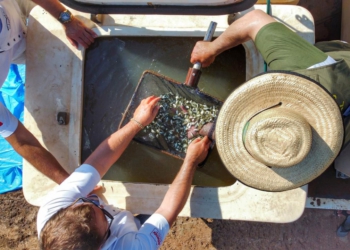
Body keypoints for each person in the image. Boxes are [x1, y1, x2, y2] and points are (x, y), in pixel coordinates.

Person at [36, 95, 211, 249]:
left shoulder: (51, 211)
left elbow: (99, 160)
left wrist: (137, 122)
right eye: (103, 214)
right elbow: (167, 210)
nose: (99, 204)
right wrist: (191, 161)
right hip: (130, 233)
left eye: (82, 202)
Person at [190, 9, 350, 177]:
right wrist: (211, 48)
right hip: (341, 71)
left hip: (341, 107)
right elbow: (254, 19)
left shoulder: (293, 148)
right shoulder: (306, 72)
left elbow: (253, 19)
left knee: (343, 166)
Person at [0, 0, 97, 183]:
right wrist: (69, 185)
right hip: (16, 49)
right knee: (49, 55)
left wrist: (66, 19)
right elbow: (20, 139)